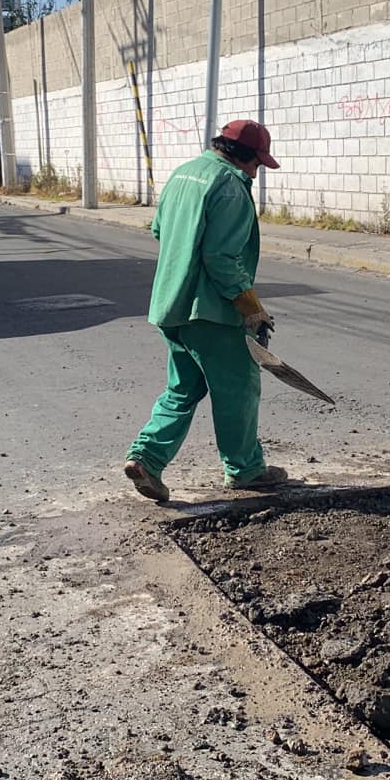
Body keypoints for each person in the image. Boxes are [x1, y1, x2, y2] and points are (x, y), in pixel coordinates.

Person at [123, 120, 290, 503]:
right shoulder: (229, 186)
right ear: (242, 156)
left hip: (171, 304)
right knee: (238, 389)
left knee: (183, 388)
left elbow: (159, 231)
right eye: (257, 164)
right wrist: (250, 306)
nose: (256, 171)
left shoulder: (184, 173)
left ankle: (146, 458)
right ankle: (246, 468)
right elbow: (221, 257)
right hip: (211, 312)